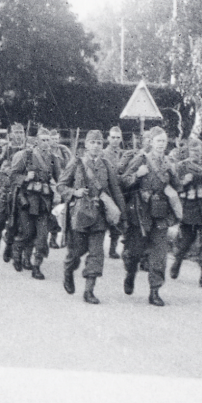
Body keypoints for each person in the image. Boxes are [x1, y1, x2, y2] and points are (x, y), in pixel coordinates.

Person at [56, 129, 127, 304]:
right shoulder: (77, 163)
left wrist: (122, 214)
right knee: (76, 252)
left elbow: (116, 191)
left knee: (96, 254)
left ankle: (89, 291)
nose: (96, 146)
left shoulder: (106, 165)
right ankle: (68, 271)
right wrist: (75, 192)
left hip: (99, 215)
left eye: (99, 143)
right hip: (79, 214)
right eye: (92, 142)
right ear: (86, 145)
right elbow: (60, 186)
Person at [119, 127, 182, 307]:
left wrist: (173, 182)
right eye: (158, 141)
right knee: (135, 252)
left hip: (161, 214)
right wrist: (137, 175)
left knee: (160, 254)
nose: (161, 145)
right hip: (141, 213)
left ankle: (154, 291)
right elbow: (123, 180)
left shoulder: (169, 164)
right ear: (151, 142)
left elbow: (178, 187)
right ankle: (130, 274)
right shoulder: (141, 159)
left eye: (164, 141)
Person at [9, 129, 62, 280]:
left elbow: (60, 179)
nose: (46, 143)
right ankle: (17, 253)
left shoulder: (53, 158)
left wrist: (62, 191)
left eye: (48, 140)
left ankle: (37, 266)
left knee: (42, 237)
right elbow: (13, 176)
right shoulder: (26, 156)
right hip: (27, 201)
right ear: (37, 141)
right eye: (43, 140)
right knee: (27, 233)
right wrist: (25, 177)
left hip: (44, 202)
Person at [170, 137, 202, 289]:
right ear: (188, 151)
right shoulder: (181, 166)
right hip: (190, 209)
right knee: (185, 242)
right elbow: (175, 186)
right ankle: (177, 262)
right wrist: (184, 182)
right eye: (193, 150)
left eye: (199, 150)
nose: (196, 153)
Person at [0, 123, 27, 257]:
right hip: (3, 186)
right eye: (16, 132)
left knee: (18, 218)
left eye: (21, 132)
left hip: (20, 186)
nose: (19, 135)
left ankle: (9, 244)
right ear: (10, 135)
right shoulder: (2, 148)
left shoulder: (28, 151)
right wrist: (0, 158)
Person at [102, 126, 128, 259]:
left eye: (118, 137)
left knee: (121, 218)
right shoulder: (103, 154)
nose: (115, 140)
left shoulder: (124, 154)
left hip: (122, 190)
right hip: (107, 190)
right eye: (113, 137)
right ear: (108, 138)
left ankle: (113, 248)